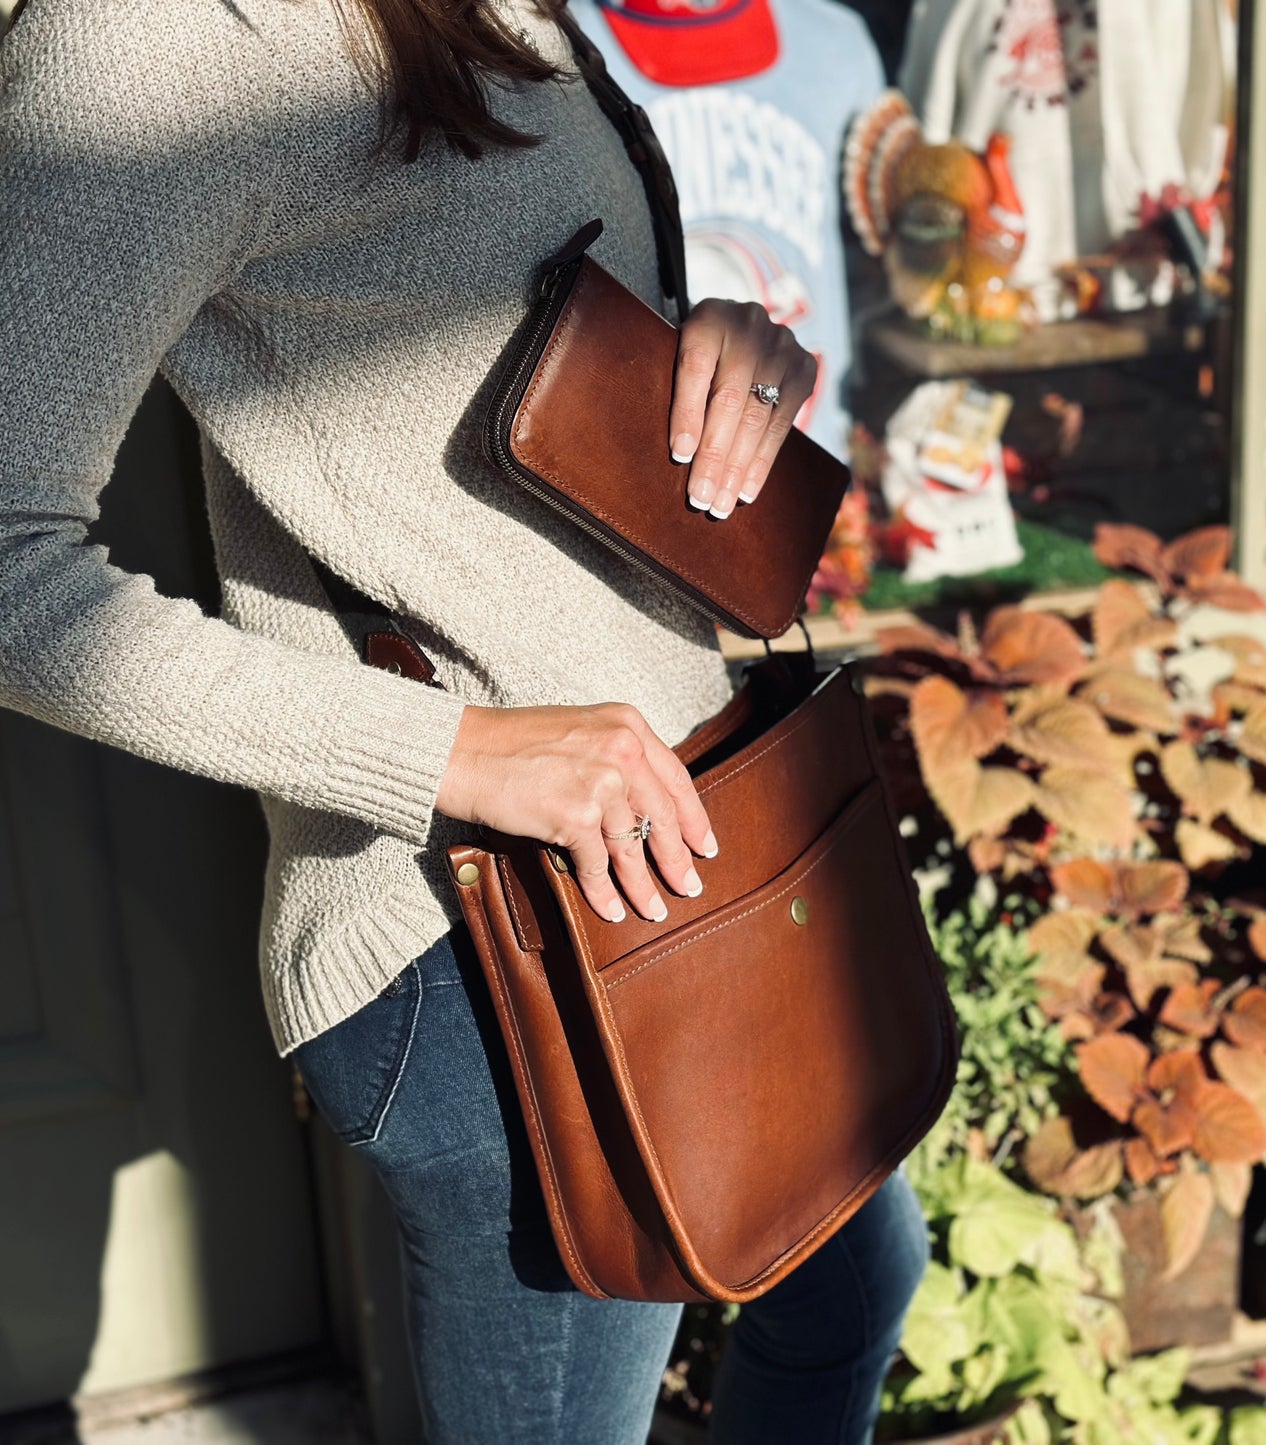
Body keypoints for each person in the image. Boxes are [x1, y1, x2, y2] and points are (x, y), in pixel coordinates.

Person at [0, 3, 927, 1443]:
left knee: (849, 1291)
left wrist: (709, 348)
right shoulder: (148, 40)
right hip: (486, 939)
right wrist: (460, 754)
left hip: (694, 831)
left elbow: (481, 329)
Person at [573, 0, 886, 462]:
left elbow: (874, 270)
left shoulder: (837, 42)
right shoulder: (541, 44)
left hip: (813, 469)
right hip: (627, 465)